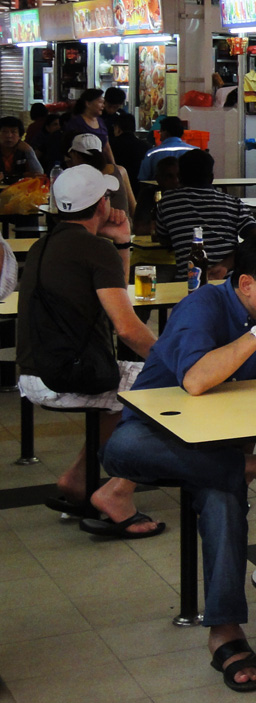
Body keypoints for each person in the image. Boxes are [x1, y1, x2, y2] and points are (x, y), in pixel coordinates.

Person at [99, 232, 256, 693]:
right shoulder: (204, 308)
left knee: (223, 497)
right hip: (155, 430)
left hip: (214, 448)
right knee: (118, 451)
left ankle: (226, 631)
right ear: (246, 285)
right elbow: (196, 382)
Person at [17, 165, 162, 537]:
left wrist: (121, 243)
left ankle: (79, 479)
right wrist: (172, 360)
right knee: (162, 386)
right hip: (69, 376)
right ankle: (118, 492)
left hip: (32, 374)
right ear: (101, 204)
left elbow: (114, 300)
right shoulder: (94, 250)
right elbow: (128, 328)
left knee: (120, 393)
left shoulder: (42, 244)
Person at [156, 149, 256, 280]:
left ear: (180, 177)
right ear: (211, 178)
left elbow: (164, 240)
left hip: (188, 283)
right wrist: (225, 264)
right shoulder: (234, 203)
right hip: (228, 284)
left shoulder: (167, 202)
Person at [66, 133, 135, 217]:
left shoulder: (78, 179)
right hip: (124, 227)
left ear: (76, 156)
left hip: (92, 229)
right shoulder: (120, 171)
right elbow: (133, 207)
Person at [64, 88, 117, 165]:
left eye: (103, 102)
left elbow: (106, 146)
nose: (103, 106)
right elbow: (68, 149)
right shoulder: (76, 123)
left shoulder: (101, 122)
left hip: (100, 165)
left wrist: (113, 165)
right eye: (100, 102)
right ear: (88, 103)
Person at [138, 116, 196, 181]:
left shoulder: (151, 154)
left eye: (160, 131)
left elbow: (143, 179)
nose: (160, 134)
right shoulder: (195, 152)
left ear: (165, 132)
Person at [109, 111, 149, 188]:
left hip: (117, 186)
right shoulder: (146, 146)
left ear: (118, 128)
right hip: (138, 187)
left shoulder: (111, 145)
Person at [0, 115, 43, 183]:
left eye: (13, 132)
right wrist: (22, 175)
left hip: (21, 190)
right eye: (4, 131)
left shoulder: (24, 150)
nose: (9, 136)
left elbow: (39, 174)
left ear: (19, 136)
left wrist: (29, 151)